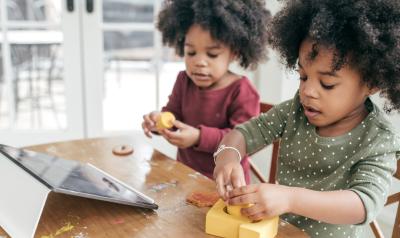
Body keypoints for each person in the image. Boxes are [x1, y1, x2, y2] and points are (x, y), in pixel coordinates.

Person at [213, 0, 400, 237]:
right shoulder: (295, 111)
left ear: (372, 82)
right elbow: (244, 133)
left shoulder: (378, 139)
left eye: (327, 83)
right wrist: (227, 158)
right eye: (303, 77)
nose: (308, 91)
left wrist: (291, 199)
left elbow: (364, 204)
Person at [141, 0, 271, 183]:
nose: (199, 62)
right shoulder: (183, 80)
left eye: (212, 54)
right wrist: (159, 122)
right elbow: (173, 116)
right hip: (184, 177)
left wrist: (198, 138)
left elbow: (244, 141)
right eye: (191, 53)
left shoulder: (241, 90)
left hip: (225, 185)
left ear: (234, 52)